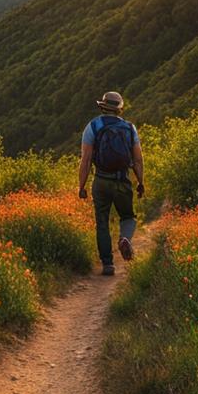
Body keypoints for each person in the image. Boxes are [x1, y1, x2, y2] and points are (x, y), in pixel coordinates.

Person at [77, 91, 145, 275]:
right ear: (119, 109)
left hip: (101, 180)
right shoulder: (130, 128)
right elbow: (137, 160)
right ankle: (125, 239)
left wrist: (81, 186)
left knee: (102, 222)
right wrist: (140, 182)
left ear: (102, 106)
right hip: (122, 180)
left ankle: (107, 264)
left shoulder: (93, 126)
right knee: (128, 217)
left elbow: (86, 160)